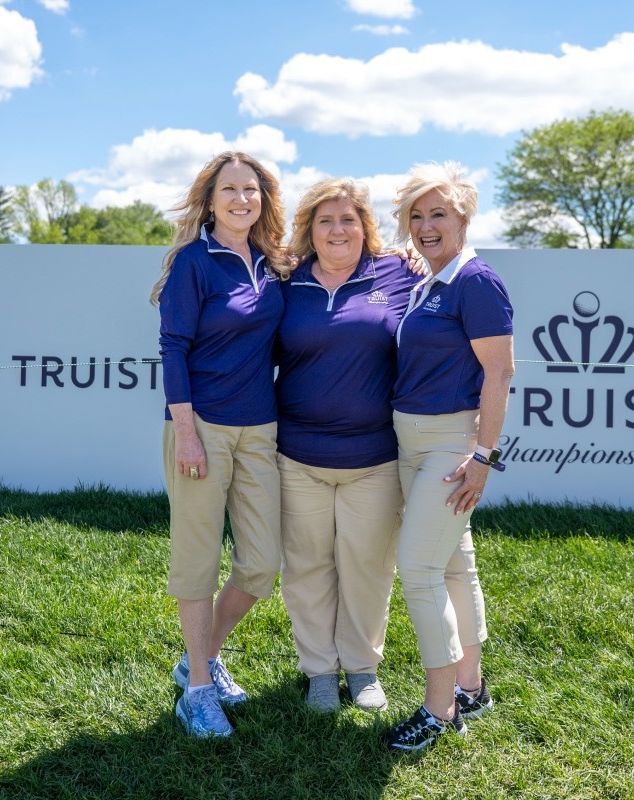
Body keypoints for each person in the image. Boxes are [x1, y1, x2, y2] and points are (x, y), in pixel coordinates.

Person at [153, 151, 291, 738]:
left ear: (264, 199)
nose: (241, 199)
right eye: (230, 189)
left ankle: (197, 658)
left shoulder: (272, 262)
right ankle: (200, 692)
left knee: (261, 565)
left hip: (260, 429)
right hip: (201, 426)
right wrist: (186, 433)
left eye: (251, 190)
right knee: (198, 560)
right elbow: (173, 349)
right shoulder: (194, 262)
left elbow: (351, 257)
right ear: (209, 200)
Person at [381, 162, 515, 751]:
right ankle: (471, 687)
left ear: (465, 216)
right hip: (409, 441)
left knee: (419, 570)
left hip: (449, 442)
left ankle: (439, 711)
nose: (426, 225)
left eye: (439, 213)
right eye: (417, 215)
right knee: (456, 563)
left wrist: (483, 455)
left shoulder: (476, 281)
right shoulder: (427, 280)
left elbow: (500, 372)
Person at [274, 178, 421, 713]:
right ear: (309, 230)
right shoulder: (285, 279)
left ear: (366, 226)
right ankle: (317, 669)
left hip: (376, 458)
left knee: (368, 566)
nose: (338, 229)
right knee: (307, 564)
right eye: (325, 221)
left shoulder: (400, 272)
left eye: (349, 219)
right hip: (298, 455)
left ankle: (360, 667)